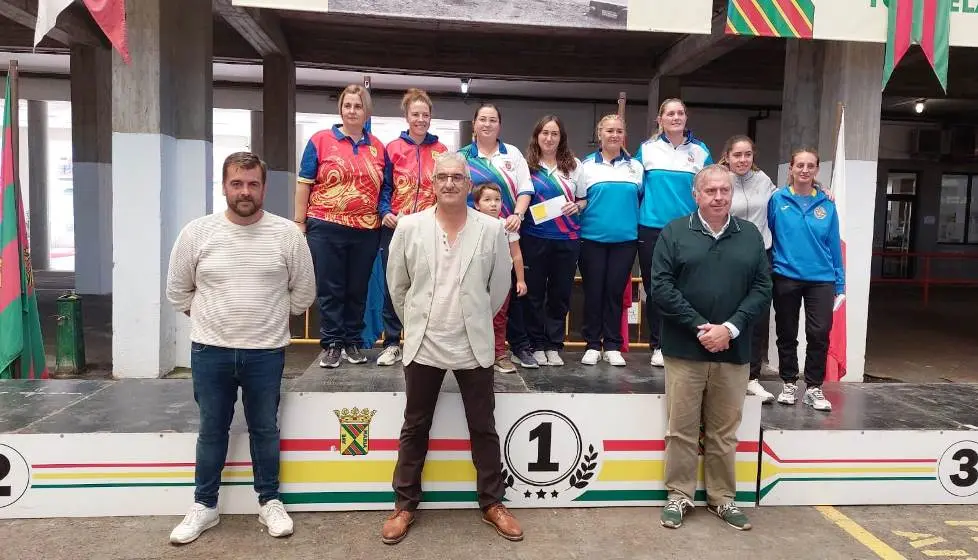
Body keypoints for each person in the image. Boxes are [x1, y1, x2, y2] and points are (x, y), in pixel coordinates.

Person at [165, 152, 316, 544]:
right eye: (237, 183)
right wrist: (212, 319)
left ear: (264, 187)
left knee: (264, 428)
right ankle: (204, 506)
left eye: (252, 183)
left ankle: (269, 502)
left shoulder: (286, 235)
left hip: (266, 352)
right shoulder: (197, 233)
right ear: (224, 187)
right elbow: (177, 290)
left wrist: (265, 317)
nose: (245, 191)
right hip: (209, 351)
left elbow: (303, 294)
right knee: (211, 429)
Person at [381, 153, 523, 544]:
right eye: (442, 176)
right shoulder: (409, 227)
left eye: (456, 177)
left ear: (467, 182)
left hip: (473, 345)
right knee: (415, 425)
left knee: (483, 427)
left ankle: (492, 503)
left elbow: (499, 288)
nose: (449, 183)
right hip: (424, 343)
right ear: (432, 182)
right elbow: (398, 286)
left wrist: (477, 318)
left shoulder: (492, 229)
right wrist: (415, 320)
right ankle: (404, 504)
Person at [652, 164, 772, 532]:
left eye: (724, 191)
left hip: (733, 352)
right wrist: (700, 326)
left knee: (724, 431)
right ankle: (679, 496)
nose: (719, 197)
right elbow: (660, 287)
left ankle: (723, 499)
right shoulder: (674, 233)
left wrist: (730, 329)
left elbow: (762, 288)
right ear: (696, 194)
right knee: (681, 429)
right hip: (685, 350)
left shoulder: (750, 235)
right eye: (711, 191)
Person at [295, 84, 390, 368]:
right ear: (340, 109)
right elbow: (304, 184)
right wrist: (300, 222)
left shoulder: (378, 147)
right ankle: (332, 343)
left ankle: (352, 341)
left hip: (366, 230)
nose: (352, 111)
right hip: (325, 226)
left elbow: (385, 188)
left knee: (357, 288)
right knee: (330, 287)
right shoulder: (320, 140)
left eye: (358, 106)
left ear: (366, 112)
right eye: (347, 105)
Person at [460, 103, 538, 369]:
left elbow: (526, 189)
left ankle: (506, 350)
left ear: (499, 125)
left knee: (505, 304)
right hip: (471, 239)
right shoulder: (462, 156)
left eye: (493, 120)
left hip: (507, 235)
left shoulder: (513, 154)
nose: (487, 124)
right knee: (471, 300)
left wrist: (517, 215)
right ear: (474, 124)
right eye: (482, 119)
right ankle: (468, 352)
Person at [635, 98, 712, 367]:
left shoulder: (701, 152)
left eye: (680, 113)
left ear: (686, 118)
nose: (676, 117)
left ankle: (683, 340)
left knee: (687, 287)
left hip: (689, 228)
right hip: (652, 228)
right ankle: (658, 344)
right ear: (660, 119)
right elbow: (636, 189)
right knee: (657, 288)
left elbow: (709, 188)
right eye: (670, 113)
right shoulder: (646, 150)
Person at [376, 88, 448, 367]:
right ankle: (392, 342)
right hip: (396, 228)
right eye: (415, 114)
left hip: (430, 229)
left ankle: (423, 341)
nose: (420, 119)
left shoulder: (441, 151)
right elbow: (384, 187)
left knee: (428, 286)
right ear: (406, 116)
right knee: (394, 285)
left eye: (425, 114)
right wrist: (385, 212)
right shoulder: (392, 148)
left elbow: (446, 190)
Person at [768, 149, 844, 412]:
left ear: (816, 170)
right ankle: (789, 382)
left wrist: (841, 284)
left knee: (819, 333)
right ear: (791, 168)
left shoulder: (827, 204)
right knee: (786, 332)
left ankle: (813, 387)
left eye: (810, 165)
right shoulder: (777, 199)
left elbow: (834, 245)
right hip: (785, 276)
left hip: (821, 279)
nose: (804, 169)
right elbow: (767, 235)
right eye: (799, 165)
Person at [575, 114, 643, 367]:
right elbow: (579, 201)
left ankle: (612, 344)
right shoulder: (585, 166)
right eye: (609, 130)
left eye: (619, 131)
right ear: (599, 134)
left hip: (625, 241)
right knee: (593, 292)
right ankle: (593, 344)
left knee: (615, 292)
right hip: (591, 239)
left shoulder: (636, 167)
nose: (614, 135)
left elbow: (642, 201)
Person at [718, 135, 777, 404]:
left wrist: (819, 189)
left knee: (757, 316)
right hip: (727, 254)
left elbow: (787, 195)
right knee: (727, 313)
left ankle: (752, 377)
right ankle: (723, 372)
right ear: (727, 156)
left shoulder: (763, 180)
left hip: (760, 254)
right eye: (737, 155)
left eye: (747, 155)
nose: (743, 160)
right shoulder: (719, 179)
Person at [521, 115, 582, 367]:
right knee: (534, 293)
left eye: (554, 133)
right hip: (534, 238)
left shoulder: (574, 165)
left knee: (560, 293)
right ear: (537, 136)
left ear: (561, 137)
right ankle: (535, 343)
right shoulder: (526, 166)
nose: (549, 138)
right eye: (544, 133)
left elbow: (583, 199)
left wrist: (576, 205)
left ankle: (553, 344)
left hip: (567, 239)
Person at [473, 182, 528, 373]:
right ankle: (475, 353)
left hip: (501, 281)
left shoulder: (507, 226)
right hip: (476, 280)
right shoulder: (471, 225)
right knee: (474, 316)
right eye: (487, 200)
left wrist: (520, 280)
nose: (493, 204)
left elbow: (517, 255)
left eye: (497, 200)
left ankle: (499, 354)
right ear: (477, 204)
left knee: (499, 317)